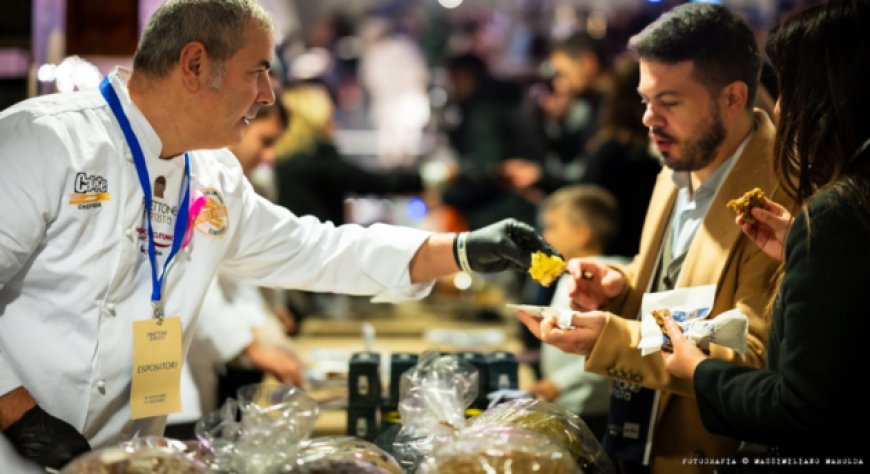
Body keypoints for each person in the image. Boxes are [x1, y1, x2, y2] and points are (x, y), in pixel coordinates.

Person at [0, 0, 557, 468]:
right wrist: (16, 409)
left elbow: (314, 248)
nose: (268, 93)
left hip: (126, 455)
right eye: (257, 71)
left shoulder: (212, 173)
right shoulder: (46, 141)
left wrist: (458, 251)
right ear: (194, 64)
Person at [516, 4, 790, 472]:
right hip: (632, 440)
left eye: (670, 102)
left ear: (733, 97)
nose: (648, 118)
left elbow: (751, 355)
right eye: (645, 100)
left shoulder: (784, 190)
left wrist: (616, 337)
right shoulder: (675, 167)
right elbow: (669, 283)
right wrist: (619, 288)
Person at [662, 0, 870, 460]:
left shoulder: (839, 212)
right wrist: (802, 251)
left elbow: (799, 405)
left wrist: (699, 371)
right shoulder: (838, 213)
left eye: (670, 101)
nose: (779, 105)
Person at [527, 185, 622, 438]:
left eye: (552, 227)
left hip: (590, 409)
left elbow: (610, 347)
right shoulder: (569, 274)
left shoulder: (599, 280)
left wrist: (558, 383)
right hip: (569, 404)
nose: (544, 234)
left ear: (581, 234)